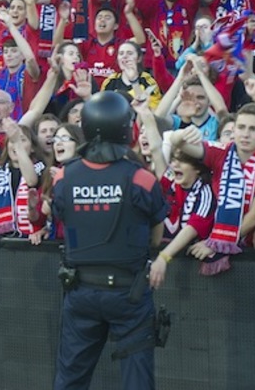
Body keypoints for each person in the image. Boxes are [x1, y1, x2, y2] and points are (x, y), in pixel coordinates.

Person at [52, 92, 168, 390]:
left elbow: (63, 219)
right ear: (126, 129)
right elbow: (157, 233)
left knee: (70, 378)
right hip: (128, 292)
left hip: (80, 290)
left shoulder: (64, 177)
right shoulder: (142, 178)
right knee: (137, 378)